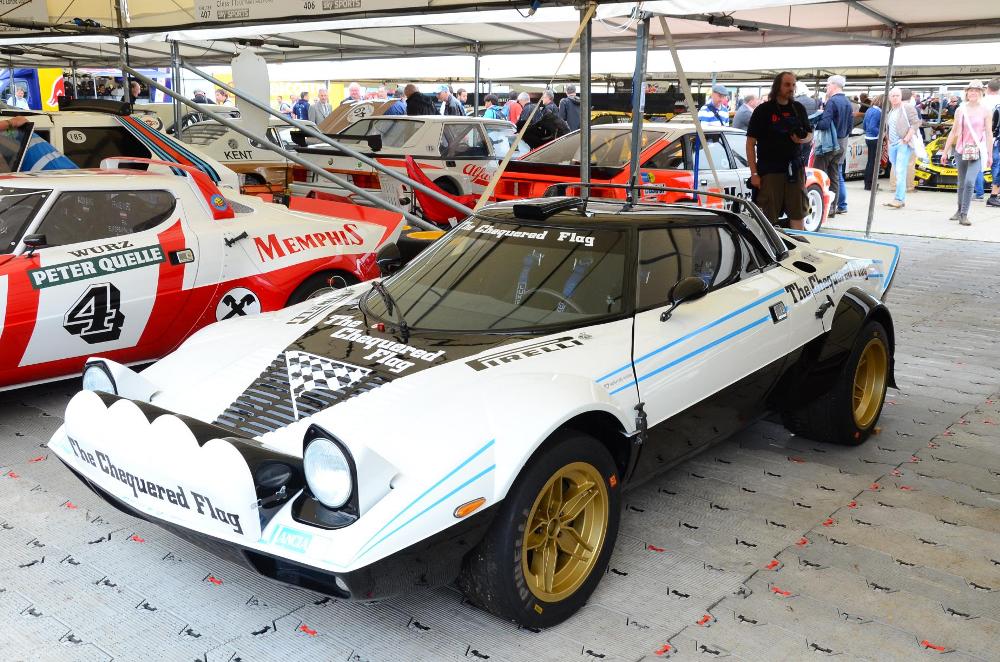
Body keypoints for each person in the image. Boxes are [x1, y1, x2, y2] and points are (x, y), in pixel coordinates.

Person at [746, 71, 812, 230]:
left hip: (795, 170)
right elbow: (750, 143)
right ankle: (766, 247)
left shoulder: (798, 108)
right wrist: (754, 173)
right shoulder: (763, 110)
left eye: (793, 85)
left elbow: (810, 134)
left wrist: (801, 139)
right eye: (787, 85)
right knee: (767, 218)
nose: (791, 88)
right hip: (770, 171)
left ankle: (798, 244)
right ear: (777, 86)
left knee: (798, 213)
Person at [941, 80, 994, 226]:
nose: (973, 93)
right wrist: (945, 152)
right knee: (961, 183)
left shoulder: (986, 110)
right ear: (967, 92)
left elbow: (989, 133)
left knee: (970, 181)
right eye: (971, 90)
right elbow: (953, 132)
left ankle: (964, 214)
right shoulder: (960, 110)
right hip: (960, 150)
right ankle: (959, 210)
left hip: (977, 151)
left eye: (976, 90)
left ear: (981, 93)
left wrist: (989, 154)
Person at [813, 74, 852, 218]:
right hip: (841, 143)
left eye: (828, 85)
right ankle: (832, 208)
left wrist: (814, 123)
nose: (826, 87)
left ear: (834, 85)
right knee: (834, 175)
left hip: (828, 145)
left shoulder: (832, 102)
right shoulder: (847, 102)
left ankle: (819, 207)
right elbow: (850, 126)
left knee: (818, 174)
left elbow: (824, 124)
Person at [882, 87, 919, 210]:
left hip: (903, 143)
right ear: (889, 97)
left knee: (900, 171)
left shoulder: (907, 107)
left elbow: (916, 123)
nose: (895, 98)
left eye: (897, 95)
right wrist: (888, 141)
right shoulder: (891, 111)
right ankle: (899, 198)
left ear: (901, 96)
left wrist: (906, 139)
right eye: (892, 96)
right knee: (897, 169)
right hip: (893, 144)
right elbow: (889, 127)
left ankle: (899, 199)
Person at [983, 78, 1000, 208]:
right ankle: (994, 196)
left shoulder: (982, 101)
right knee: (997, 166)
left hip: (983, 138)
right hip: (996, 139)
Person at [862, 94, 883, 191]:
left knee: (870, 161)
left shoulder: (869, 110)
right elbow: (872, 127)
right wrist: (881, 133)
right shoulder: (878, 112)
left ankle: (867, 183)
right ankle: (870, 184)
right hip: (875, 138)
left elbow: (865, 126)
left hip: (868, 137)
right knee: (873, 162)